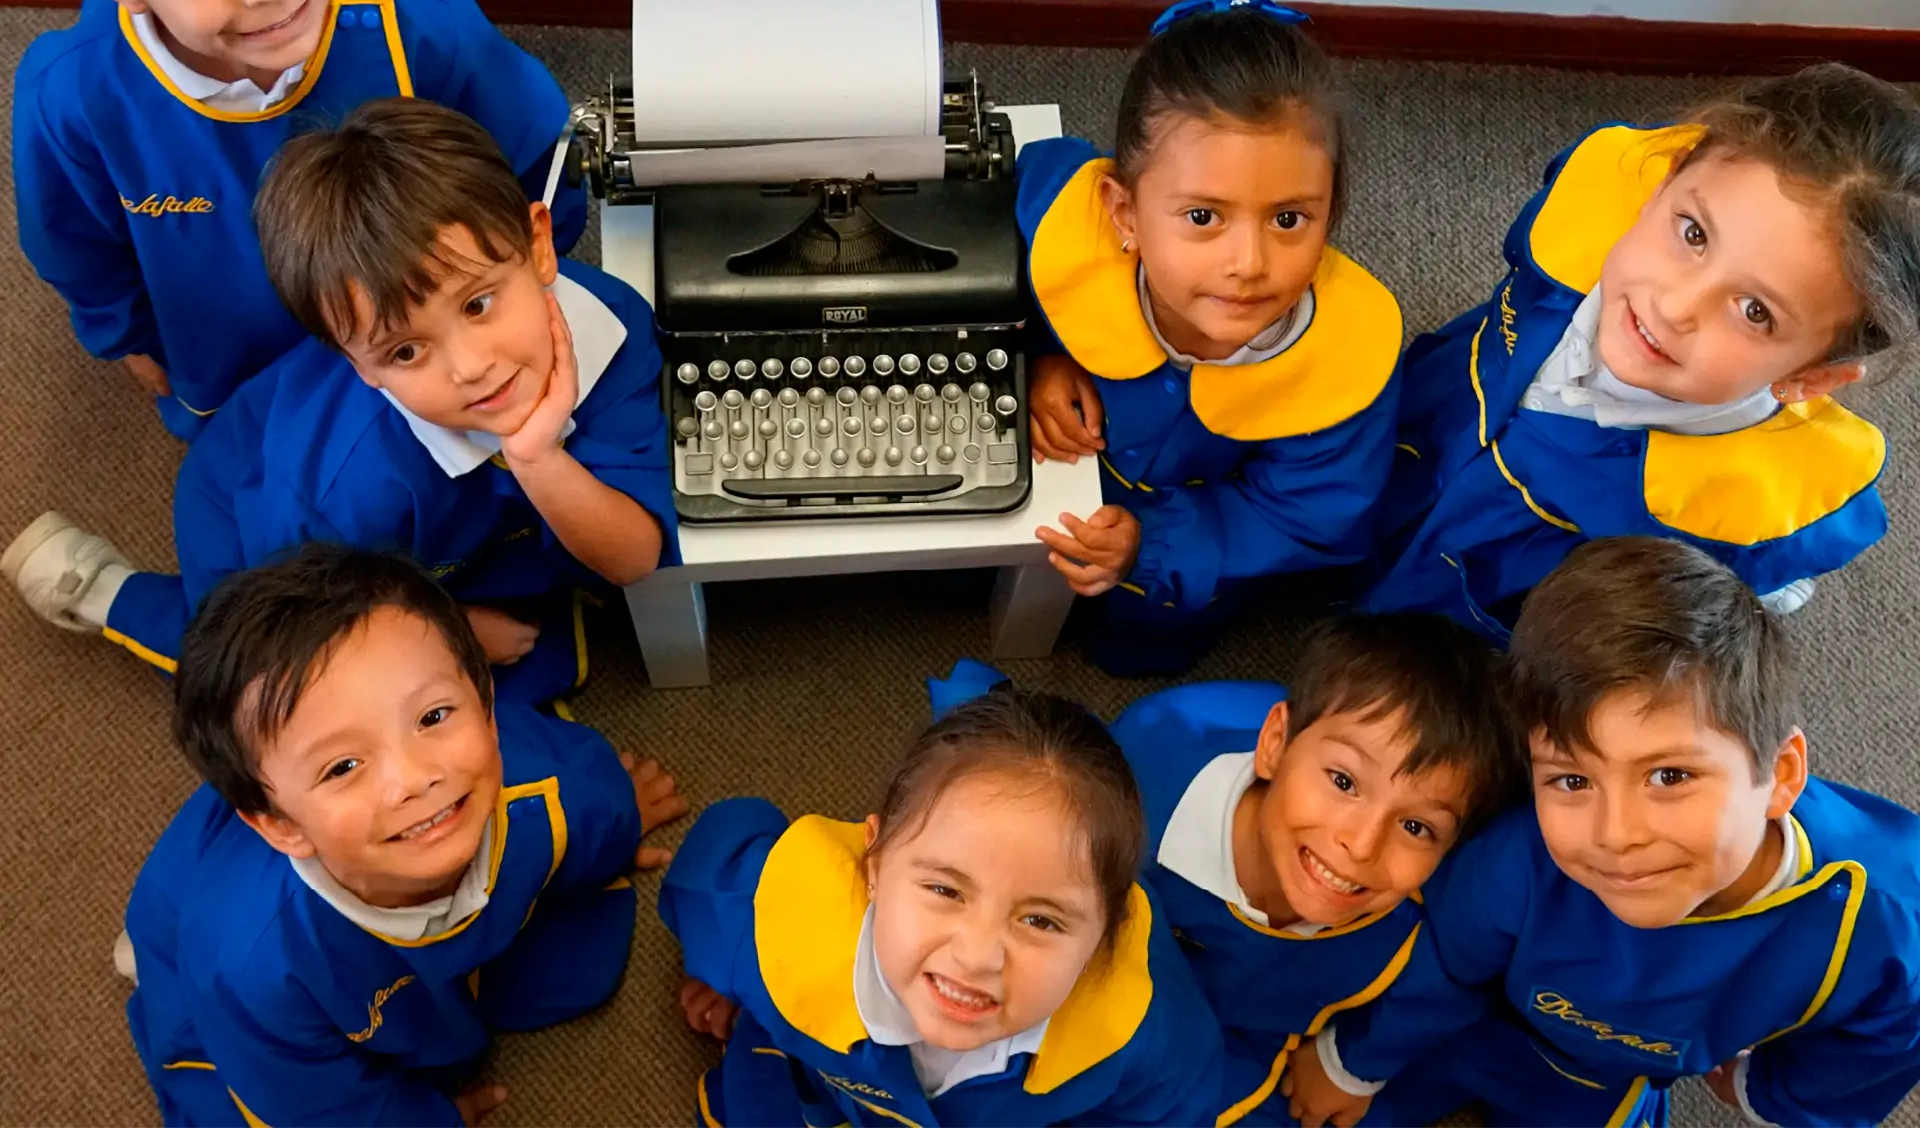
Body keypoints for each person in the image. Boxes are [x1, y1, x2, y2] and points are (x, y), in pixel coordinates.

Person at [3, 99, 674, 708]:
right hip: (269, 543)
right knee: (263, 682)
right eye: (406, 351)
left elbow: (632, 557)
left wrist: (534, 460)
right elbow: (301, 614)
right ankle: (111, 594)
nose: (473, 367)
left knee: (539, 649)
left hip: (457, 537)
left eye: (478, 303)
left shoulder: (610, 320)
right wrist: (450, 630)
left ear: (538, 244)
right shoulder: (337, 489)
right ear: (357, 364)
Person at [1289, 537, 1920, 1128]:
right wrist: (1356, 1064)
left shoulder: (1891, 916)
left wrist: (1769, 1090)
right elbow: (1445, 970)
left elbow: (1891, 1032)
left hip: (1604, 1082)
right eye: (1571, 781)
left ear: (1781, 776)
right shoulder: (1513, 853)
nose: (1615, 835)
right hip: (1467, 1027)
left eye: (1669, 775)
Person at [11, 0, 585, 439]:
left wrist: (533, 272)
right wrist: (124, 337)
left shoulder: (421, 15)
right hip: (238, 363)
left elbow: (535, 154)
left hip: (429, 335)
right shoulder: (71, 98)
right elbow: (75, 247)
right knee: (269, 478)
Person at [122, 544, 686, 1127]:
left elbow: (594, 797)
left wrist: (621, 822)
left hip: (377, 940)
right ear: (283, 826)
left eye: (433, 717)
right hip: (221, 951)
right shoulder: (253, 969)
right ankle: (148, 958)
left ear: (487, 708)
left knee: (578, 958)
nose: (414, 780)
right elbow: (318, 1106)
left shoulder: (537, 773)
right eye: (342, 767)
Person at [1362, 64, 1920, 640]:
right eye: (1694, 234)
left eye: (1755, 311)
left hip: (1482, 601)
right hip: (1436, 420)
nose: (1676, 306)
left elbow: (1770, 577)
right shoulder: (1588, 205)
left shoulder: (1757, 501)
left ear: (1811, 379)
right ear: (1665, 180)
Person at [1015, 0, 1402, 676]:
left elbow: (1306, 516)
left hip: (1193, 544)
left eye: (1289, 219)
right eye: (1203, 215)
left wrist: (1152, 544)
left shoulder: (1347, 358)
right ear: (1123, 212)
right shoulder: (1068, 220)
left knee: (1135, 653)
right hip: (1048, 466)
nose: (1248, 264)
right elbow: (1001, 225)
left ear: (1332, 210)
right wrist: (1035, 354)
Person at [659, 677, 1226, 1125]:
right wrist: (714, 966)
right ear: (873, 860)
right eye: (945, 890)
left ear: (1107, 931)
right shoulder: (768, 918)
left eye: (1040, 920)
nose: (979, 957)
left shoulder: (1144, 1025)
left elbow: (1173, 1106)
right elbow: (717, 850)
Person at [1102, 615, 1520, 1124]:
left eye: (1415, 826)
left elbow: (1455, 983)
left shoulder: (1434, 912)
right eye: (1343, 782)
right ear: (1275, 744)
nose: (1361, 846)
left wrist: (1351, 1067)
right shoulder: (1141, 772)